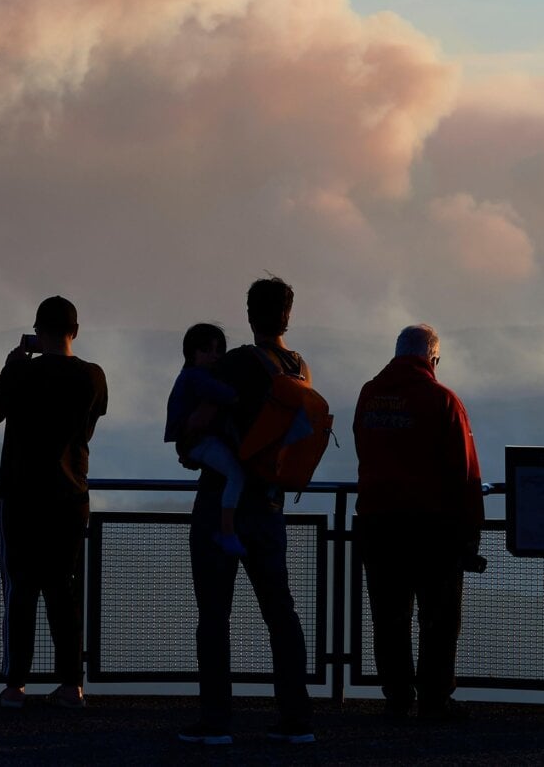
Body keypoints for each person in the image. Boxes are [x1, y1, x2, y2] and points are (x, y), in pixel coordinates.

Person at [178, 277, 315, 746]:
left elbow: (199, 420)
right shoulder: (299, 367)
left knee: (214, 616)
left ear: (249, 313)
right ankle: (296, 719)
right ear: (287, 316)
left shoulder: (237, 363)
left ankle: (216, 722)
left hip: (223, 505)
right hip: (272, 505)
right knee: (281, 612)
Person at [352, 324, 484, 724]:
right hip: (433, 528)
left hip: (377, 524)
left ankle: (396, 698)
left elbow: (362, 445)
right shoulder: (443, 400)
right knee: (439, 618)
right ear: (433, 359)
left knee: (389, 617)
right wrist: (471, 534)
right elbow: (466, 473)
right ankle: (434, 700)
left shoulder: (370, 395)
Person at [0, 295, 107, 709]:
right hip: (70, 497)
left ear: (38, 331)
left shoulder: (22, 371)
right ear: (75, 330)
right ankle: (72, 685)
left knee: (20, 589)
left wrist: (12, 364)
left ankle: (15, 685)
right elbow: (86, 432)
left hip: (19, 495)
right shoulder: (93, 376)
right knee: (62, 590)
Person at [164, 323, 247, 557]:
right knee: (236, 473)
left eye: (218, 350)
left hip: (193, 443)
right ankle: (227, 530)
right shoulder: (197, 377)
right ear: (191, 353)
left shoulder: (190, 376)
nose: (214, 356)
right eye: (206, 350)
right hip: (197, 442)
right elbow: (224, 395)